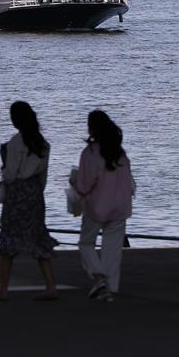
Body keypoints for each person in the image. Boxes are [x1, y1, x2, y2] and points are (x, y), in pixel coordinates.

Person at [0, 101, 58, 301]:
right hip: (35, 194)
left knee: (9, 239)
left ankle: (3, 289)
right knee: (37, 237)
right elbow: (43, 177)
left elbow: (10, 175)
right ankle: (51, 285)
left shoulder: (14, 143)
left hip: (16, 195)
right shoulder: (42, 144)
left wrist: (4, 166)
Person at [73, 110, 135, 302]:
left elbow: (84, 185)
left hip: (97, 206)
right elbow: (130, 182)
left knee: (86, 243)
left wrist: (73, 185)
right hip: (120, 206)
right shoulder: (120, 152)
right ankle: (111, 290)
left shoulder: (90, 153)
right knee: (113, 249)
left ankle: (99, 278)